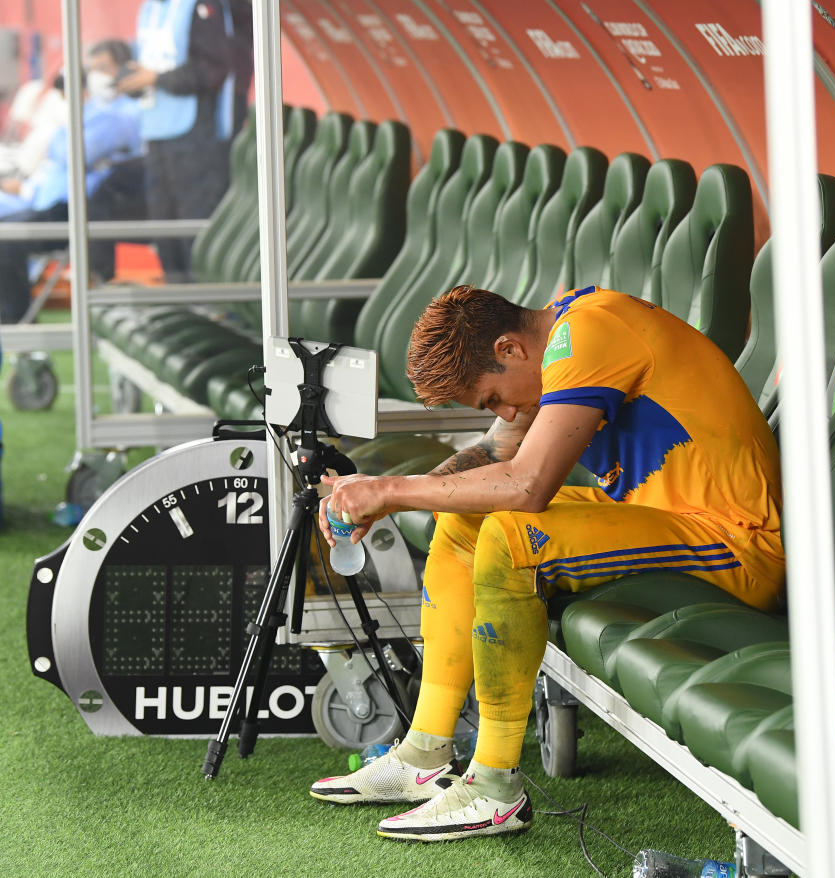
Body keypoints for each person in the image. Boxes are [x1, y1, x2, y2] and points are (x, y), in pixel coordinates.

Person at [309, 284, 786, 841]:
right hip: (665, 521)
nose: (506, 412)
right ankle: (424, 754)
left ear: (510, 350)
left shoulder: (588, 333)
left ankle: (494, 787)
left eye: (493, 398)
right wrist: (386, 497)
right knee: (464, 521)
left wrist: (390, 490)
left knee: (513, 537)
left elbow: (528, 485)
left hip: (736, 543)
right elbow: (495, 454)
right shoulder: (559, 337)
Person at [0, 41, 143, 324]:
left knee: (0, 239)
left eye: (103, 69)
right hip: (50, 199)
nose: (96, 76)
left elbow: (72, 151)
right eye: (93, 69)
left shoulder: (123, 114)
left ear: (127, 69)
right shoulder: (95, 109)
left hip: (76, 208)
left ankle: (17, 324)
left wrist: (64, 145)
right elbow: (60, 147)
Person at [118, 0, 238, 283]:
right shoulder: (149, 9)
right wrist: (130, 81)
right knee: (164, 227)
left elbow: (212, 71)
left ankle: (208, 306)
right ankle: (179, 302)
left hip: (195, 136)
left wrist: (157, 79)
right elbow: (147, 66)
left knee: (195, 228)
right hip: (156, 134)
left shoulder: (199, 6)